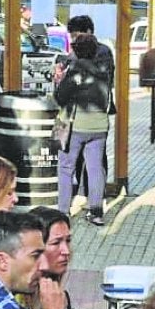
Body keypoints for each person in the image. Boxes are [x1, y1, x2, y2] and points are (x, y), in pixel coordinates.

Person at [54, 35, 113, 226]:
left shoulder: (75, 71)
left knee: (65, 168)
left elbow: (60, 97)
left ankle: (63, 211)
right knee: (96, 168)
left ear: (76, 51)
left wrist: (59, 80)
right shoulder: (103, 72)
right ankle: (96, 211)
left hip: (76, 126)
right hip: (99, 127)